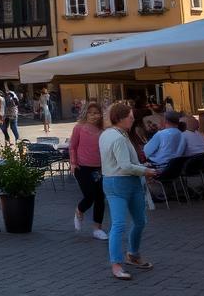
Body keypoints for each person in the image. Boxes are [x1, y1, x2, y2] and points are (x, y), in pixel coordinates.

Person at [100, 102, 157, 280]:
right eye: (130, 117)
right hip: (120, 182)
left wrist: (142, 169)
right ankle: (117, 263)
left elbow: (126, 163)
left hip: (120, 181)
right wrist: (145, 171)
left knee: (139, 221)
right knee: (120, 224)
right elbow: (125, 166)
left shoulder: (109, 134)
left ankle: (132, 255)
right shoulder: (117, 137)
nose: (132, 120)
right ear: (120, 118)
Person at [69, 101, 108, 240]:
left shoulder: (103, 129)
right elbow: (72, 146)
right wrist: (73, 163)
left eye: (96, 113)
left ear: (100, 114)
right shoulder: (79, 128)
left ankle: (97, 229)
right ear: (85, 114)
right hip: (82, 167)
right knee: (89, 196)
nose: (93, 115)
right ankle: (79, 210)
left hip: (98, 168)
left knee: (100, 198)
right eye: (90, 113)